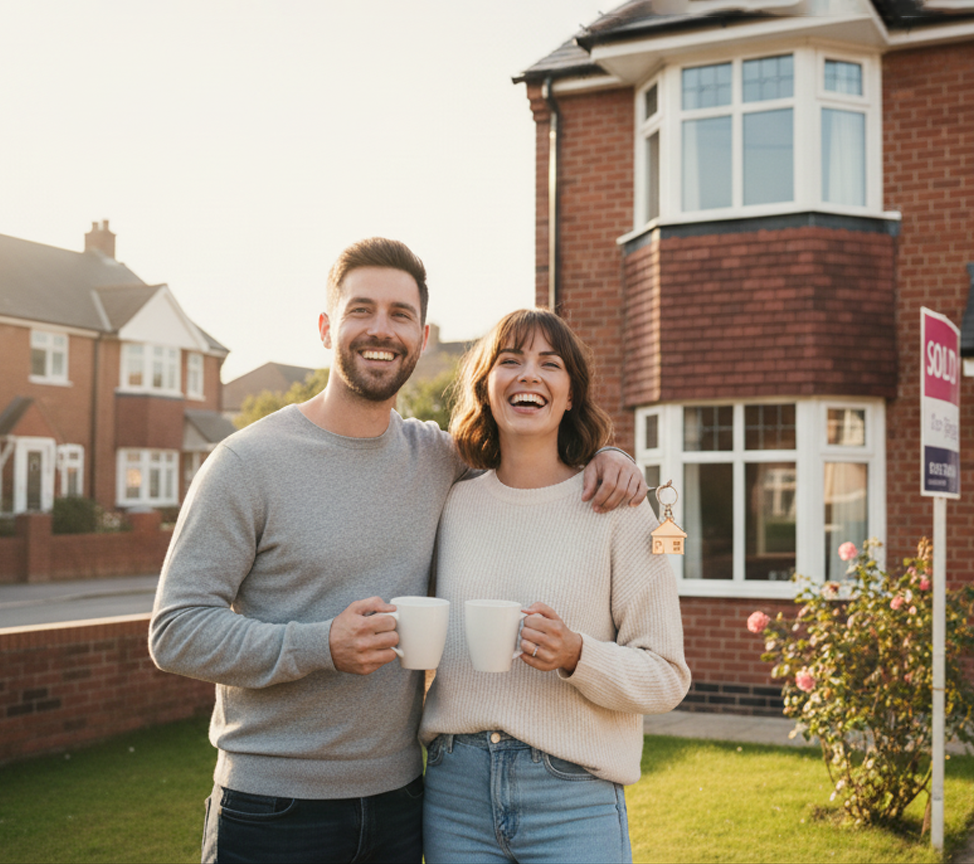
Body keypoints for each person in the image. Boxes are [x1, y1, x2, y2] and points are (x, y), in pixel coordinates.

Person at [148, 239, 647, 864]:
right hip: (273, 805)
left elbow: (527, 454)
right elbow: (174, 631)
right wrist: (319, 644)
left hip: (402, 803)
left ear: (421, 335)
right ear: (328, 326)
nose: (380, 329)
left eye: (399, 315)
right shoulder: (247, 463)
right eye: (362, 310)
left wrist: (611, 458)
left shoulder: (437, 459)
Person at [420, 309, 691, 864]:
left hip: (573, 797)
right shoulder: (451, 500)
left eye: (550, 363)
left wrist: (577, 655)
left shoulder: (619, 508)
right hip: (455, 795)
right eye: (510, 360)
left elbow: (667, 677)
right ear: (486, 387)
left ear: (570, 395)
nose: (529, 375)